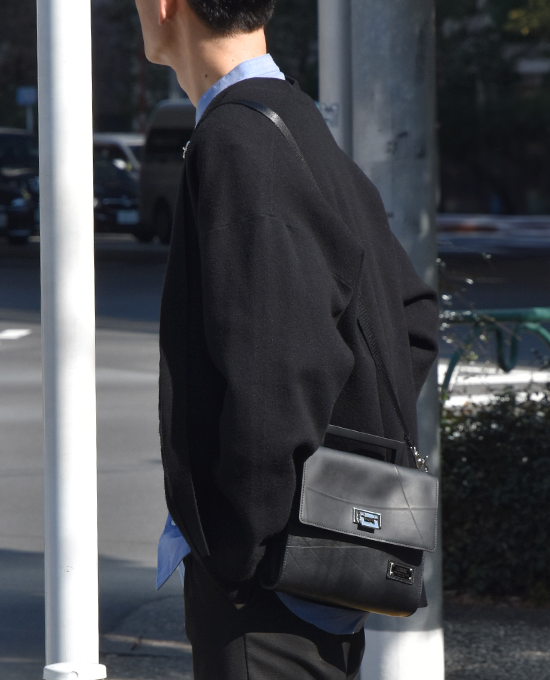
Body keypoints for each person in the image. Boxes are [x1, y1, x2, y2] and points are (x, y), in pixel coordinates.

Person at [136, 1, 440, 678]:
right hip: (314, 573)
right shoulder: (292, 119)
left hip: (268, 591)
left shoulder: (238, 140)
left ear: (165, 6)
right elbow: (412, 318)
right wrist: (346, 485)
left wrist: (242, 551)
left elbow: (274, 373)